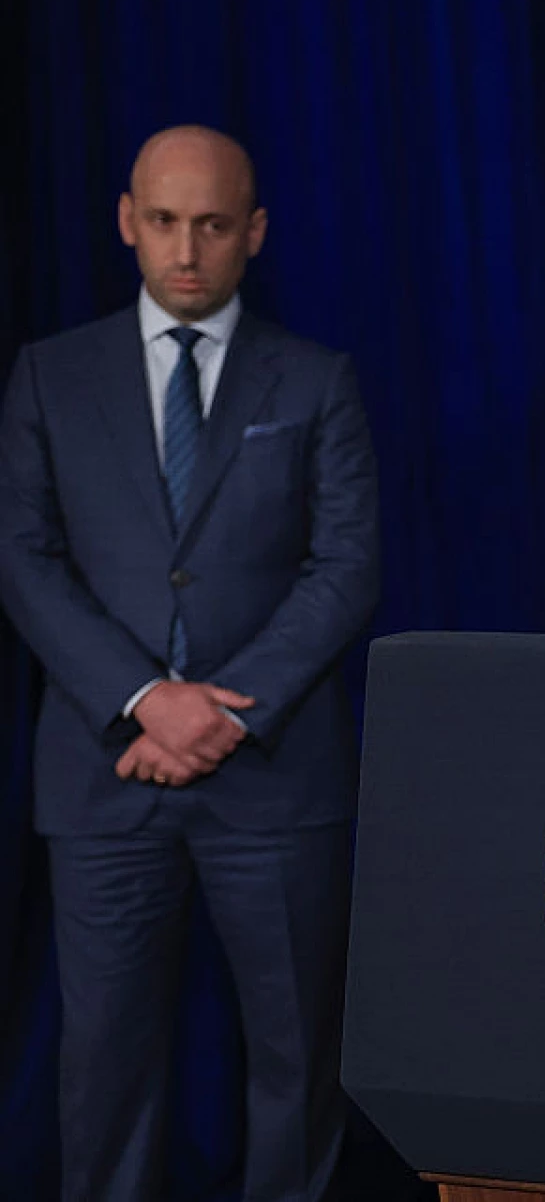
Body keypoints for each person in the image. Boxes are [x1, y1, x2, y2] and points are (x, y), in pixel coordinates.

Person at [0, 125, 380, 1200]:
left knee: (298, 1063)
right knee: (103, 1070)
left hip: (274, 778)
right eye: (164, 220)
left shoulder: (316, 380)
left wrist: (223, 712)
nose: (185, 248)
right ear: (128, 220)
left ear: (252, 231)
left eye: (212, 223)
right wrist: (146, 701)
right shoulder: (49, 375)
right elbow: (24, 560)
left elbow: (347, 568)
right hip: (104, 775)